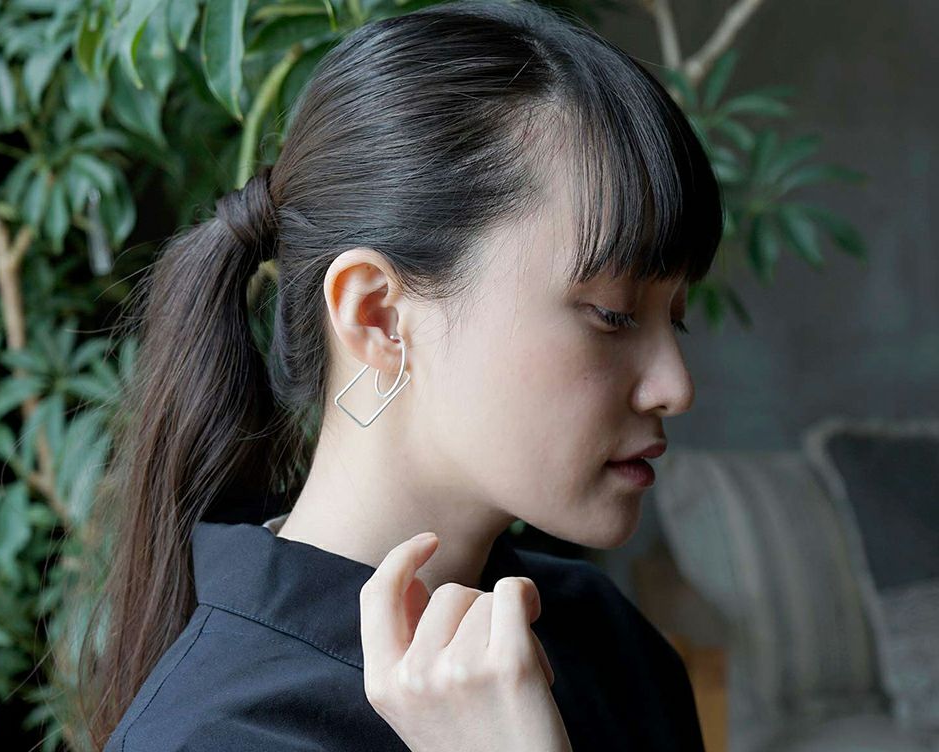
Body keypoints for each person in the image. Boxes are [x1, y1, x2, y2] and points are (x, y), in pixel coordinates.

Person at [74, 0, 724, 749]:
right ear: (377, 315)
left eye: (675, 318)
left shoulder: (608, 641)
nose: (676, 386)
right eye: (613, 314)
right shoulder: (218, 734)